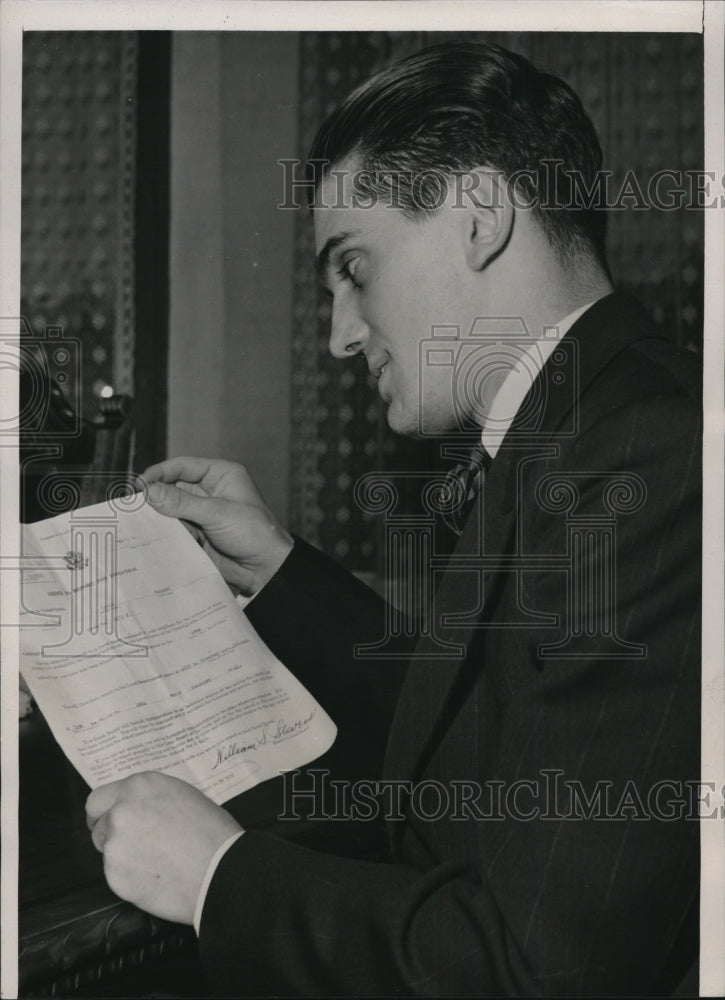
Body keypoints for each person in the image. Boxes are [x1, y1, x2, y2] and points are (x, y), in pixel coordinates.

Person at [85, 42, 701, 996]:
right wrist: (281, 571)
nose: (338, 334)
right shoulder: (589, 420)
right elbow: (501, 730)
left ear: (480, 218)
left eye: (354, 268)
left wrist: (218, 875)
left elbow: (542, 971)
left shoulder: (645, 457)